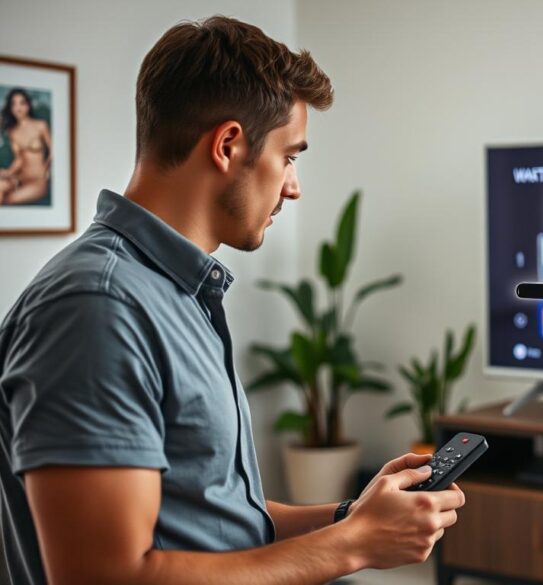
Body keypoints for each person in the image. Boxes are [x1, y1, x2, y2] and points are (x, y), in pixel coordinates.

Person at [0, 16, 464, 585]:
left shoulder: (175, 292)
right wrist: (354, 545)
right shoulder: (98, 309)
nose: (293, 185)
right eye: (289, 156)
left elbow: (217, 520)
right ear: (227, 145)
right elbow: (105, 574)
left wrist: (353, 517)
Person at [0, 88, 52, 205]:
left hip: (38, 181)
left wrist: (48, 169)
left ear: (28, 105)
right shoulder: (12, 131)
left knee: (9, 199)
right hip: (19, 178)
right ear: (11, 108)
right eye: (14, 103)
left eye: (22, 103)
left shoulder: (40, 126)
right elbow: (19, 159)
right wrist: (8, 172)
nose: (18, 108)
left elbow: (54, 151)